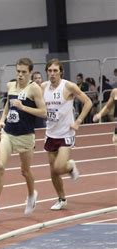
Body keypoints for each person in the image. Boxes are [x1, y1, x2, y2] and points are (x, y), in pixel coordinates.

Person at [0, 58, 47, 217]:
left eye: (23, 72)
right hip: (8, 133)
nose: (20, 75)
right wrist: (3, 119)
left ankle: (32, 195)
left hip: (26, 136)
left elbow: (43, 112)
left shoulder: (35, 89)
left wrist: (23, 107)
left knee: (25, 171)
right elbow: (7, 105)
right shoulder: (11, 85)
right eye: (18, 71)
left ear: (30, 73)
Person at [42, 58, 92, 210]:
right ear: (47, 72)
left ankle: (70, 166)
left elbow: (88, 102)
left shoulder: (68, 86)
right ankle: (61, 198)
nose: (52, 74)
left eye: (55, 71)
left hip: (65, 133)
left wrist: (78, 121)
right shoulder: (43, 87)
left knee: (58, 167)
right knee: (53, 171)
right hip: (50, 133)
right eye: (50, 71)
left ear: (61, 72)